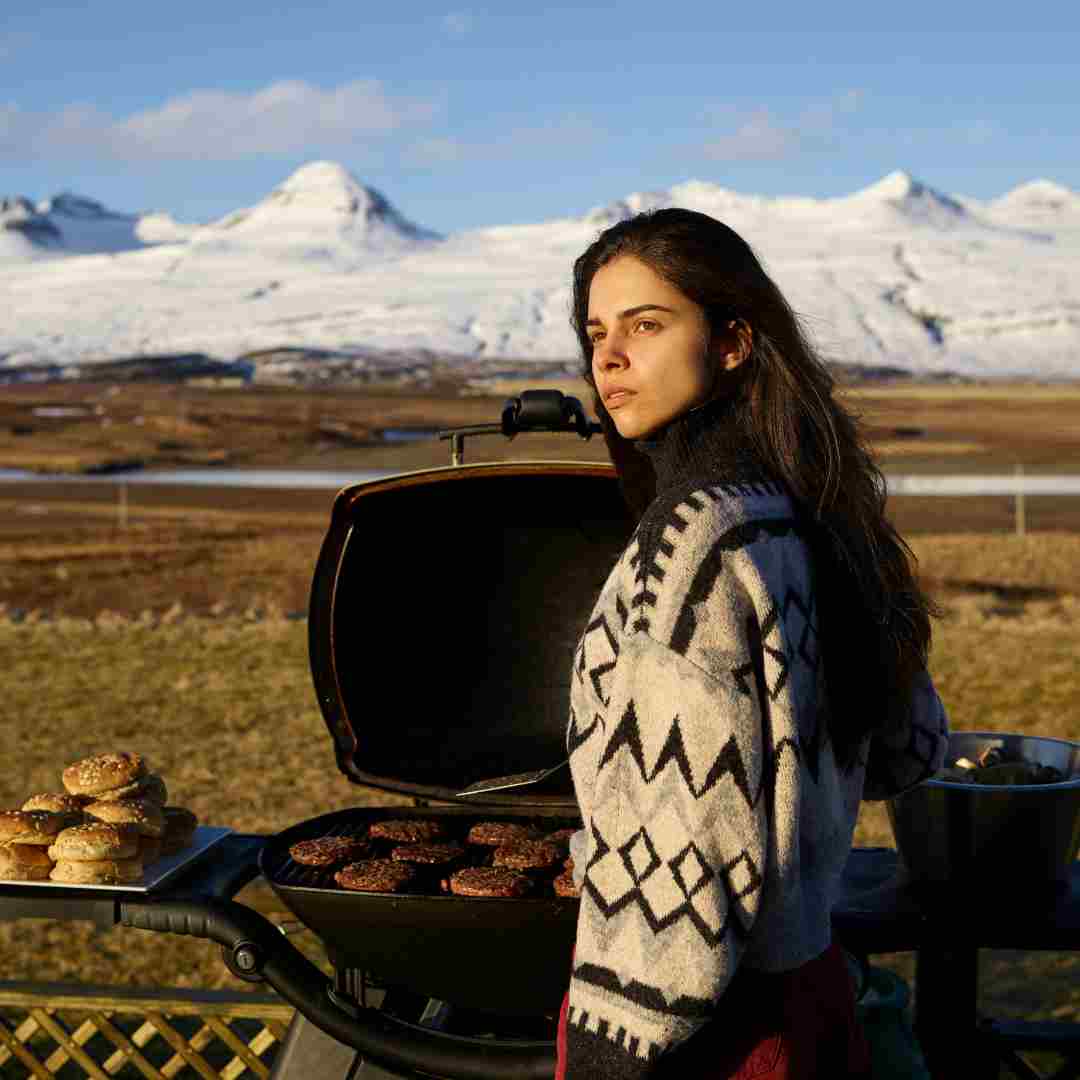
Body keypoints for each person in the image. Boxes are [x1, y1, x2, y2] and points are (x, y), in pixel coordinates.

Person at [557, 208, 950, 1079]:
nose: (609, 357)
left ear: (733, 342)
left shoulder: (695, 541)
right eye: (596, 332)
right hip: (813, 996)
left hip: (709, 1038)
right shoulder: (807, 506)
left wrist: (605, 1054)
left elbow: (686, 852)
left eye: (646, 326)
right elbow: (908, 746)